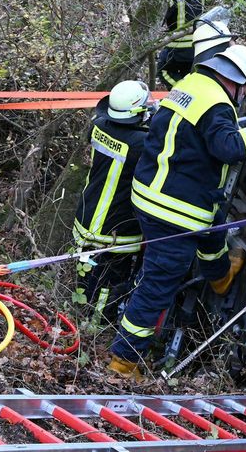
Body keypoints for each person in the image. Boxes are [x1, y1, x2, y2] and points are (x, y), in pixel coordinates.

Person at [108, 45, 246, 376]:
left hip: (154, 195)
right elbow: (232, 148)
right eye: (245, 90)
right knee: (157, 287)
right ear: (235, 81)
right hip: (174, 213)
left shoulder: (191, 84)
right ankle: (124, 361)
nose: (244, 97)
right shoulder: (218, 105)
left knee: (214, 223)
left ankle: (220, 275)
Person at [72, 81, 151, 327]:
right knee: (110, 280)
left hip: (86, 216)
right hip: (114, 229)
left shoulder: (97, 126)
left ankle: (77, 314)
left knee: (86, 274)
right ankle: (94, 327)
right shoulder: (140, 144)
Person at [156, 0, 205, 90]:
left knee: (162, 71)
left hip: (178, 45)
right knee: (190, 75)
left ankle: (182, 91)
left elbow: (165, 16)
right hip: (197, 45)